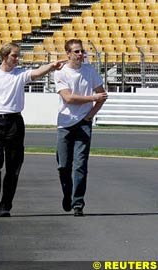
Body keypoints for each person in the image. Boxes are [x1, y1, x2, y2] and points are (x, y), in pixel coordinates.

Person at [0, 42, 65, 217]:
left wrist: (51, 66)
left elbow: (36, 72)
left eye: (18, 55)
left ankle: (6, 204)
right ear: (5, 56)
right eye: (14, 55)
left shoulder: (20, 74)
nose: (17, 59)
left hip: (14, 122)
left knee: (13, 166)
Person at [54, 38, 108, 216]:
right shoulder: (61, 73)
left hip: (83, 123)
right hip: (65, 123)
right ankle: (67, 194)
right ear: (68, 54)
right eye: (76, 51)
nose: (80, 54)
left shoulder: (90, 70)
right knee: (63, 165)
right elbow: (68, 98)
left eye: (82, 51)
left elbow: (102, 94)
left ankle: (78, 203)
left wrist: (90, 115)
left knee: (80, 165)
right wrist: (92, 99)